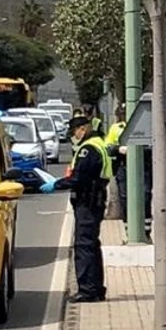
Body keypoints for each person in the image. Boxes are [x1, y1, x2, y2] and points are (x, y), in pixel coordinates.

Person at [47, 115, 111, 302]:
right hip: (95, 201)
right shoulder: (99, 143)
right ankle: (97, 289)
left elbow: (79, 179)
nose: (73, 136)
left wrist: (56, 184)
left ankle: (87, 290)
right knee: (92, 245)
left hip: (88, 202)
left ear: (83, 129)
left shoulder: (88, 149)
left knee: (84, 246)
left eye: (74, 131)